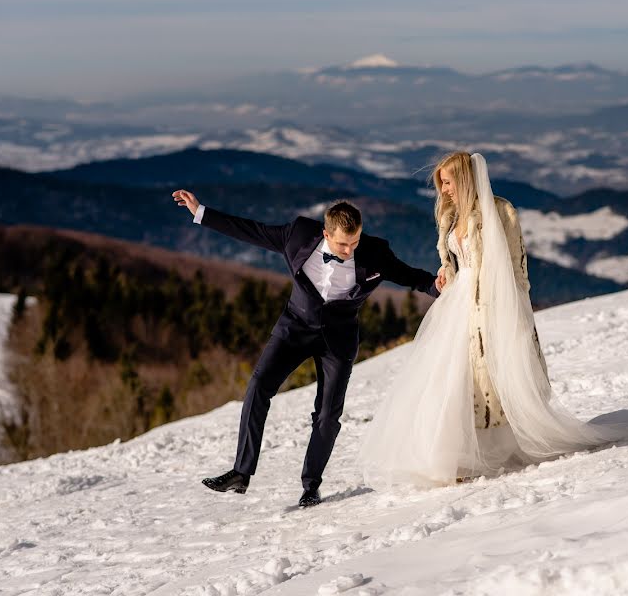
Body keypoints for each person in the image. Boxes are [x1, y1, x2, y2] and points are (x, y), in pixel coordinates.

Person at [358, 152, 628, 487]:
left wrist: (504, 311)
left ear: (465, 179)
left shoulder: (500, 212)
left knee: (483, 379)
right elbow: (454, 259)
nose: (444, 190)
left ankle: (486, 451)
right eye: (441, 183)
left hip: (488, 304)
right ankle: (454, 455)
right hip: (457, 303)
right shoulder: (450, 215)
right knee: (450, 378)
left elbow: (512, 267)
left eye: (448, 181)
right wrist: (446, 273)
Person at [172, 190, 441, 506]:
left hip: (338, 340)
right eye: (342, 244)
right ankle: (240, 473)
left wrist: (436, 286)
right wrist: (201, 211)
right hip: (294, 329)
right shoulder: (298, 235)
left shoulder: (374, 252)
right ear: (326, 234)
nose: (349, 250)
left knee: (328, 415)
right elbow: (250, 230)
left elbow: (409, 275)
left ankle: (311, 486)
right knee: (258, 387)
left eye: (354, 243)